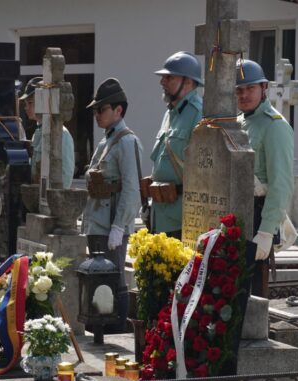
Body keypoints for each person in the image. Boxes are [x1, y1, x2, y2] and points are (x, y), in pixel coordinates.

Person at [82, 78, 142, 332]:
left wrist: (119, 226)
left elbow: (131, 188)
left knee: (114, 278)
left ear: (118, 110)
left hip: (111, 225)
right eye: (95, 110)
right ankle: (100, 326)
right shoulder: (106, 141)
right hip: (97, 221)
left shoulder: (126, 142)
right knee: (96, 278)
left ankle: (115, 328)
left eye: (102, 109)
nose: (97, 114)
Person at [235, 59, 294, 297]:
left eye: (250, 88)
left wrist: (267, 231)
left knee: (254, 296)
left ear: (263, 87)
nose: (244, 95)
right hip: (238, 216)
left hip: (259, 216)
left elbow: (281, 184)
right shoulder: (238, 123)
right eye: (239, 90)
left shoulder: (274, 126)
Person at [147, 51, 204, 238]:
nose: (162, 82)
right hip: (159, 212)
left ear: (188, 82)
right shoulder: (170, 113)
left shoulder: (198, 113)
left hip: (181, 218)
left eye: (168, 77)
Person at [19, 76, 75, 187]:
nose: (26, 108)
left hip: (51, 200)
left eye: (30, 103)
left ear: (42, 101)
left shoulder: (61, 134)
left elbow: (65, 176)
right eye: (25, 104)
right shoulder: (38, 132)